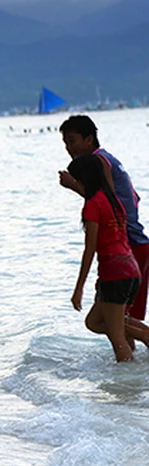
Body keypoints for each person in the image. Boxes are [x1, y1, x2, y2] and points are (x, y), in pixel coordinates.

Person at [59, 115, 149, 322]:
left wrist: (73, 185)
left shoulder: (100, 161)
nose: (68, 148)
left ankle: (132, 350)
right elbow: (134, 197)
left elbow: (107, 204)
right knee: (122, 320)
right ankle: (131, 354)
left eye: (72, 141)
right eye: (65, 143)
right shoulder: (110, 158)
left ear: (89, 140)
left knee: (111, 321)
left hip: (128, 248)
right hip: (136, 245)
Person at [66, 153, 149, 362]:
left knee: (117, 336)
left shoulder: (93, 205)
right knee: (94, 322)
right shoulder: (113, 200)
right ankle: (144, 335)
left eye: (76, 179)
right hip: (131, 269)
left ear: (84, 179)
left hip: (114, 273)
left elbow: (90, 248)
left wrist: (79, 287)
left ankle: (127, 387)